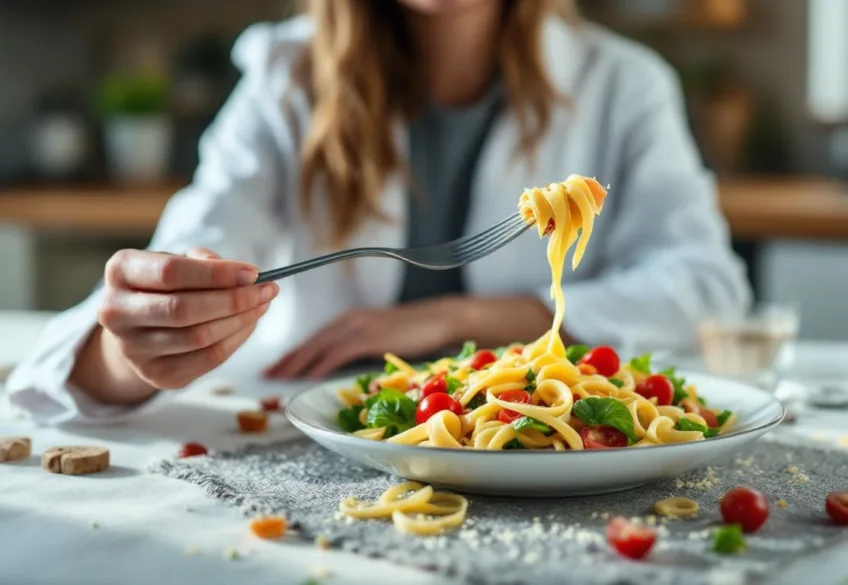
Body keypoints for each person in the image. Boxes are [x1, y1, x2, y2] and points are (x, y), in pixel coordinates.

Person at [7, 0, 750, 425]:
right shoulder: (285, 78)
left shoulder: (623, 84)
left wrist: (452, 317)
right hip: (325, 443)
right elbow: (189, 259)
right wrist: (136, 342)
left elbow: (707, 288)